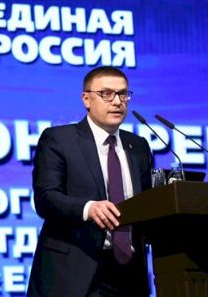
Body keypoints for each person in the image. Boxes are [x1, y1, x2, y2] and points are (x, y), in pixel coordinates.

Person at [27, 66, 152, 296]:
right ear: (86, 99)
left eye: (123, 94)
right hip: (75, 271)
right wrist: (88, 208)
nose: (117, 102)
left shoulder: (138, 146)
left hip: (130, 275)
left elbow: (147, 203)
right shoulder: (60, 139)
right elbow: (45, 198)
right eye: (106, 94)